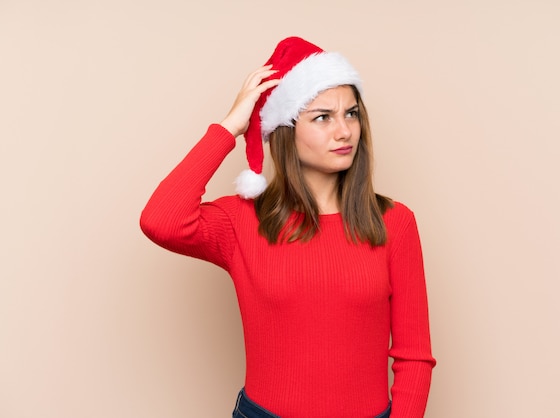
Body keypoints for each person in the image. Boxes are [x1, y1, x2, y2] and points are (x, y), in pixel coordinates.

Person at [140, 36, 436, 418]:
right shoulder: (243, 221)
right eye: (322, 117)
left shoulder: (395, 223)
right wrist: (230, 126)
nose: (344, 131)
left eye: (351, 113)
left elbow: (414, 357)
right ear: (285, 130)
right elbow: (160, 219)